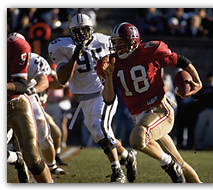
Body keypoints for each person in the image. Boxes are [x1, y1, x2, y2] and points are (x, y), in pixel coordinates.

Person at [98, 22, 202, 183]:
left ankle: (168, 164)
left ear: (132, 41)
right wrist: (109, 76)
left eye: (120, 42)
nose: (116, 46)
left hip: (159, 110)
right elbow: (109, 99)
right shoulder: (110, 63)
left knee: (136, 140)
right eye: (115, 42)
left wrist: (197, 81)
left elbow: (180, 60)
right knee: (181, 164)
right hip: (139, 116)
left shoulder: (150, 50)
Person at [48, 13, 137, 183]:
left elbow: (120, 59)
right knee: (102, 134)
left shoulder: (104, 41)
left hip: (103, 92)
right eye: (77, 30)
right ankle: (127, 156)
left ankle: (117, 172)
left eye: (85, 30)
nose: (81, 34)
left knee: (100, 128)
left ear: (92, 29)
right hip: (84, 99)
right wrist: (75, 55)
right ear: (71, 31)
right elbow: (62, 79)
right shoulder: (62, 46)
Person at [7, 33, 53, 183]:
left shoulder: (17, 46)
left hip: (16, 104)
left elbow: (21, 85)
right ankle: (16, 159)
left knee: (32, 158)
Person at [26, 52, 66, 174]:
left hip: (40, 109)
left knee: (56, 133)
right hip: (26, 108)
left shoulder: (42, 78)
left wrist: (53, 75)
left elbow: (59, 85)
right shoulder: (27, 79)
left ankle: (55, 158)